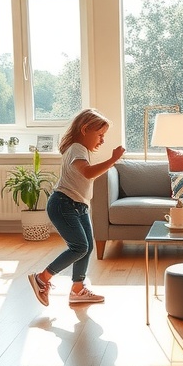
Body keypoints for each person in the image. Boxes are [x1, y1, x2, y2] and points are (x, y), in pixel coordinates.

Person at [28, 109, 125, 306]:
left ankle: (78, 289)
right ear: (85, 129)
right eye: (100, 135)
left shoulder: (81, 149)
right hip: (64, 204)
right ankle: (42, 278)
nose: (102, 140)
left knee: (86, 247)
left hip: (77, 206)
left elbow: (84, 176)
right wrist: (113, 160)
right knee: (79, 247)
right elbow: (87, 173)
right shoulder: (77, 148)